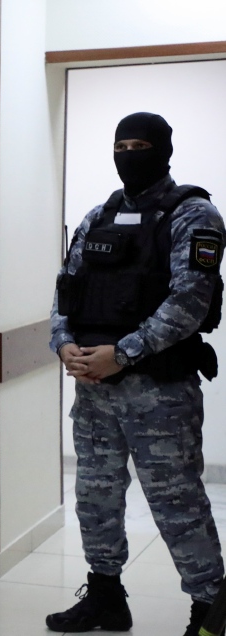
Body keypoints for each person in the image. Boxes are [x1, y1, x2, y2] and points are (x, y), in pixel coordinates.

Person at [49, 112, 225, 636]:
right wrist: (65, 346)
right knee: (95, 498)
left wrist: (120, 355)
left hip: (160, 395)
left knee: (178, 504)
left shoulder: (194, 215)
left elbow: (188, 304)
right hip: (95, 392)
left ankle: (211, 613)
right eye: (120, 144)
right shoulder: (97, 217)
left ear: (163, 150)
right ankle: (106, 596)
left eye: (139, 144)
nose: (128, 153)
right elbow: (66, 289)